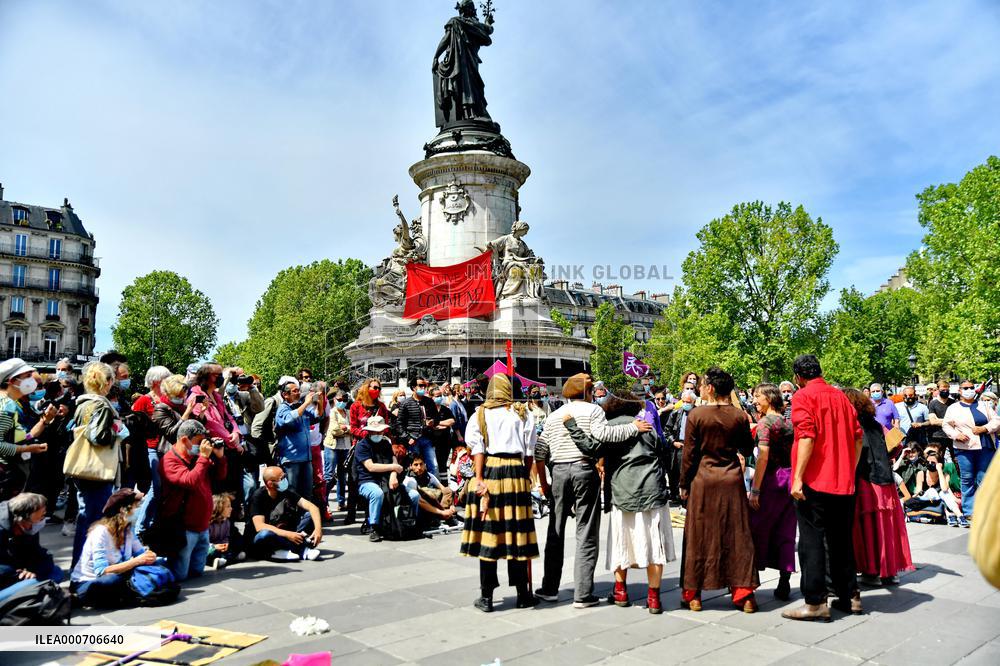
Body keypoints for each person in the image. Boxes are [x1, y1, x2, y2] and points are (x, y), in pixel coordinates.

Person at [532, 373, 650, 608]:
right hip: (584, 469)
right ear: (587, 392)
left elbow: (540, 449)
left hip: (558, 472)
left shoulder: (554, 415)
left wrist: (543, 482)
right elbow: (604, 436)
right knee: (586, 531)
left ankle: (549, 588)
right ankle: (583, 593)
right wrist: (633, 428)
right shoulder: (593, 411)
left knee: (555, 530)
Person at [564, 395, 675, 614]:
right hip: (651, 488)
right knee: (654, 544)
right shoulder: (646, 426)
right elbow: (663, 450)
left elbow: (591, 448)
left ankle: (621, 591)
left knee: (620, 541)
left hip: (622, 491)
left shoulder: (610, 427)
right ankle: (653, 598)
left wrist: (572, 425)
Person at [782, 355, 863, 622]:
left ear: (798, 377)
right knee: (841, 540)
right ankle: (850, 595)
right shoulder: (841, 397)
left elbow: (806, 436)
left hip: (814, 481)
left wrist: (798, 478)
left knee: (812, 540)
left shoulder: (803, 397)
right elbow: (858, 437)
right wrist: (849, 469)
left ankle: (815, 602)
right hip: (842, 480)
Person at [678, 368, 759, 613]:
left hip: (703, 480)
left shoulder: (697, 415)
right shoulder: (739, 416)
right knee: (736, 535)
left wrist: (683, 483)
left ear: (710, 388)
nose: (700, 388)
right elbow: (746, 449)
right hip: (731, 480)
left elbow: (689, 455)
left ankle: (694, 595)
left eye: (702, 384)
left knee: (698, 535)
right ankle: (744, 595)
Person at [460, 374, 539, 612]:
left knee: (490, 535)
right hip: (515, 472)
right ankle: (523, 594)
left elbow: (478, 450)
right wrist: (525, 477)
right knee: (517, 535)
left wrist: (479, 479)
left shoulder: (480, 414)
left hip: (491, 471)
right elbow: (529, 452)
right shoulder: (522, 413)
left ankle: (486, 597)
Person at [842, 388, 914, 586]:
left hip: (865, 481)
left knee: (869, 527)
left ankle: (872, 571)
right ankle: (889, 571)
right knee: (886, 527)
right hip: (885, 481)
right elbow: (896, 444)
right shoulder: (876, 424)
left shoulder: (851, 425)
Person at [69, 361, 126, 567]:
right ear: (108, 382)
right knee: (94, 519)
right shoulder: (101, 405)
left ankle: (81, 565)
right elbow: (97, 437)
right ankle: (85, 568)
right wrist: (117, 431)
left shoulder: (82, 403)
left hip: (83, 467)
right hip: (97, 468)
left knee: (86, 515)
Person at [159, 419, 227, 581]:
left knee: (197, 572)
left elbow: (220, 476)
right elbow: (190, 481)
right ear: (184, 440)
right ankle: (158, 563)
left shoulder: (197, 457)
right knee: (180, 575)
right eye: (198, 442)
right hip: (184, 528)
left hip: (202, 526)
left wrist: (220, 458)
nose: (203, 446)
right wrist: (203, 457)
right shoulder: (169, 461)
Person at [747, 383, 796, 601]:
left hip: (772, 479)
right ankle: (784, 581)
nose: (755, 400)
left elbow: (763, 456)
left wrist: (755, 489)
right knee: (786, 531)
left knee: (757, 527)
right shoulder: (788, 422)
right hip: (790, 478)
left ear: (769, 397)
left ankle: (751, 578)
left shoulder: (765, 423)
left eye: (757, 396)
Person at [70, 489, 155, 608]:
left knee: (158, 566)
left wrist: (150, 556)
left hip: (119, 575)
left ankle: (127, 594)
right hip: (88, 582)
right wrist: (137, 561)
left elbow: (141, 553)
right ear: (123, 510)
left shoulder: (128, 530)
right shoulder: (100, 532)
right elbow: (102, 571)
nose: (138, 510)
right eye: (136, 507)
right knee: (113, 580)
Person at [942, 380, 1000, 518]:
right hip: (964, 448)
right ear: (960, 391)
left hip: (985, 447)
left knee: (984, 478)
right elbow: (946, 425)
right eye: (966, 388)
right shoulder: (953, 408)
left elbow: (996, 420)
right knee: (967, 478)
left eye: (971, 387)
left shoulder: (984, 405)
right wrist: (956, 435)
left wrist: (985, 428)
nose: (969, 390)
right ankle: (969, 511)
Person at [354, 415, 416, 541]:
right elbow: (371, 467)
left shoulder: (386, 443)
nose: (377, 434)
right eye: (374, 431)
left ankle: (410, 524)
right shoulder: (362, 446)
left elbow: (393, 461)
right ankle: (374, 527)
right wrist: (393, 467)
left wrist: (393, 475)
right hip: (367, 481)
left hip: (387, 479)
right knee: (377, 494)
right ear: (369, 431)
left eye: (379, 431)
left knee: (414, 495)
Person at [0, 359, 54, 500]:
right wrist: (27, 449)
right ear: (13, 381)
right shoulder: (7, 407)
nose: (33, 382)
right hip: (5, 474)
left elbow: (17, 436)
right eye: (27, 376)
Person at [248, 466, 322, 560]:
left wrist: (318, 529)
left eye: (285, 476)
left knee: (311, 516)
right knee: (265, 534)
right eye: (281, 478)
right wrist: (288, 534)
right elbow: (260, 526)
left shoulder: (286, 491)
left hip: (284, 532)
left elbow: (312, 507)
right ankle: (302, 550)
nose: (285, 480)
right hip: (266, 537)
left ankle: (286, 549)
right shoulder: (258, 496)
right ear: (270, 483)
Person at [0, 492, 64, 591]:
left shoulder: (27, 527)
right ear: (22, 518)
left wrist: (33, 570)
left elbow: (39, 553)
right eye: (40, 517)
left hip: (20, 574)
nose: (42, 520)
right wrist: (18, 573)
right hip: (8, 577)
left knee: (56, 571)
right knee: (46, 581)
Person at [130, 366, 172, 497]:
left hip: (167, 447)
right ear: (155, 382)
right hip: (151, 448)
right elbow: (134, 426)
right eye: (165, 378)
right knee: (156, 486)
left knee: (164, 487)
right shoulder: (143, 401)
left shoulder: (168, 400)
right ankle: (146, 518)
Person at [274, 379, 319, 499]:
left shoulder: (300, 407)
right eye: (294, 391)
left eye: (298, 390)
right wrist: (306, 404)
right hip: (291, 459)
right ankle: (291, 517)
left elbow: (317, 416)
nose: (298, 393)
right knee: (292, 493)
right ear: (285, 395)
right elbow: (288, 419)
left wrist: (321, 399)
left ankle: (305, 517)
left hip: (306, 458)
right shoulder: (283, 408)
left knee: (307, 492)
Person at [395, 377, 440, 476]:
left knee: (434, 466)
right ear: (413, 387)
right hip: (413, 440)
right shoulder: (405, 403)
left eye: (424, 385)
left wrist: (433, 422)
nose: (423, 388)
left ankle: (434, 488)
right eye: (420, 385)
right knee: (415, 467)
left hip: (428, 439)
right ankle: (416, 488)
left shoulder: (429, 402)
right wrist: (407, 437)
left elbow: (437, 418)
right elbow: (399, 424)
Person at [917, 442, 967, 527]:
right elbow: (918, 492)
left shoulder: (945, 474)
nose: (930, 464)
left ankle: (959, 516)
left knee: (944, 493)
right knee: (933, 491)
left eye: (933, 462)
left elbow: (944, 489)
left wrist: (939, 470)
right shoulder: (921, 473)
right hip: (925, 499)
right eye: (928, 462)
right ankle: (951, 515)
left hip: (939, 500)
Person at [403, 454, 458, 526]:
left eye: (421, 464)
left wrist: (451, 505)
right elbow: (419, 501)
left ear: (425, 465)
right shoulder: (410, 480)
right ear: (411, 466)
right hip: (423, 507)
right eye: (416, 465)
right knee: (427, 493)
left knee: (448, 490)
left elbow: (444, 489)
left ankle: (445, 513)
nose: (419, 467)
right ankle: (443, 515)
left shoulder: (429, 476)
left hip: (435, 503)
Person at [664, 390, 696, 504]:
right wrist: (673, 442)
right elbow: (667, 431)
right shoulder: (676, 413)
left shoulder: (697, 414)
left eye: (688, 402)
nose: (686, 404)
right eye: (684, 401)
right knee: (675, 472)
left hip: (692, 447)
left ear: (693, 402)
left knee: (689, 473)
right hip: (678, 446)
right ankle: (676, 495)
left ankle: (689, 498)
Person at [324, 390, 352, 512]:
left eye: (344, 400)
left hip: (345, 447)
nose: (342, 402)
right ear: (334, 400)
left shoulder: (348, 412)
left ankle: (341, 502)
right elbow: (334, 430)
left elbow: (353, 428)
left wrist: (346, 429)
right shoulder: (332, 412)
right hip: (332, 447)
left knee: (342, 476)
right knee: (329, 475)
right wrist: (347, 430)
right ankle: (323, 502)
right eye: (339, 400)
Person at [207, 493, 244, 569]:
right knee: (210, 553)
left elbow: (225, 537)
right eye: (228, 506)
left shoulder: (227, 522)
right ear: (219, 508)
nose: (231, 508)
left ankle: (223, 560)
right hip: (210, 548)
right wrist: (214, 547)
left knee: (236, 548)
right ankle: (223, 560)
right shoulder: (208, 523)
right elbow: (203, 542)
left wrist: (225, 544)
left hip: (220, 548)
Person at [428, 386, 456, 478]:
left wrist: (438, 423)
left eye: (440, 395)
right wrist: (443, 425)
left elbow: (452, 421)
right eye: (437, 396)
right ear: (431, 397)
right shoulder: (428, 409)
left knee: (443, 463)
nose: (439, 398)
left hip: (445, 441)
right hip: (433, 442)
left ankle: (444, 484)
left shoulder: (445, 409)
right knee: (434, 464)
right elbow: (429, 423)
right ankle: (435, 482)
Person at [926, 379, 955, 460]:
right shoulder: (933, 403)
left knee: (955, 459)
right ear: (938, 389)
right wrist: (949, 421)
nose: (945, 391)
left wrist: (939, 420)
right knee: (938, 458)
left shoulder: (953, 403)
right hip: (937, 436)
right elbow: (933, 421)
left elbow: (956, 420)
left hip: (952, 435)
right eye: (943, 390)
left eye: (947, 389)